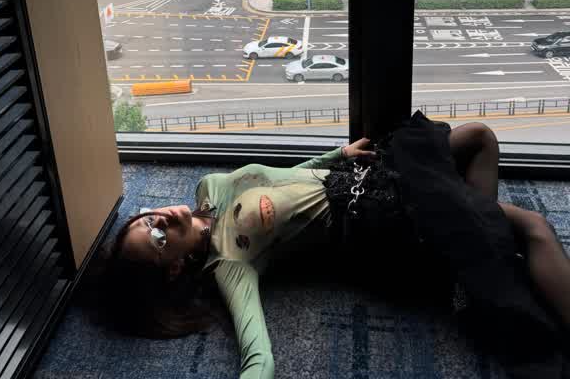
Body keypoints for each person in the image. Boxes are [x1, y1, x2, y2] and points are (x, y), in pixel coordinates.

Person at [91, 113, 570, 379]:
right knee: (533, 227)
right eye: (157, 238)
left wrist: (335, 154)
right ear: (174, 268)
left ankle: (475, 260)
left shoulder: (208, 189)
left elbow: (280, 177)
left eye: (147, 219)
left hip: (366, 173)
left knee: (479, 137)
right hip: (377, 215)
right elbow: (259, 360)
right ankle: (476, 255)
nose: (160, 220)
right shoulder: (229, 263)